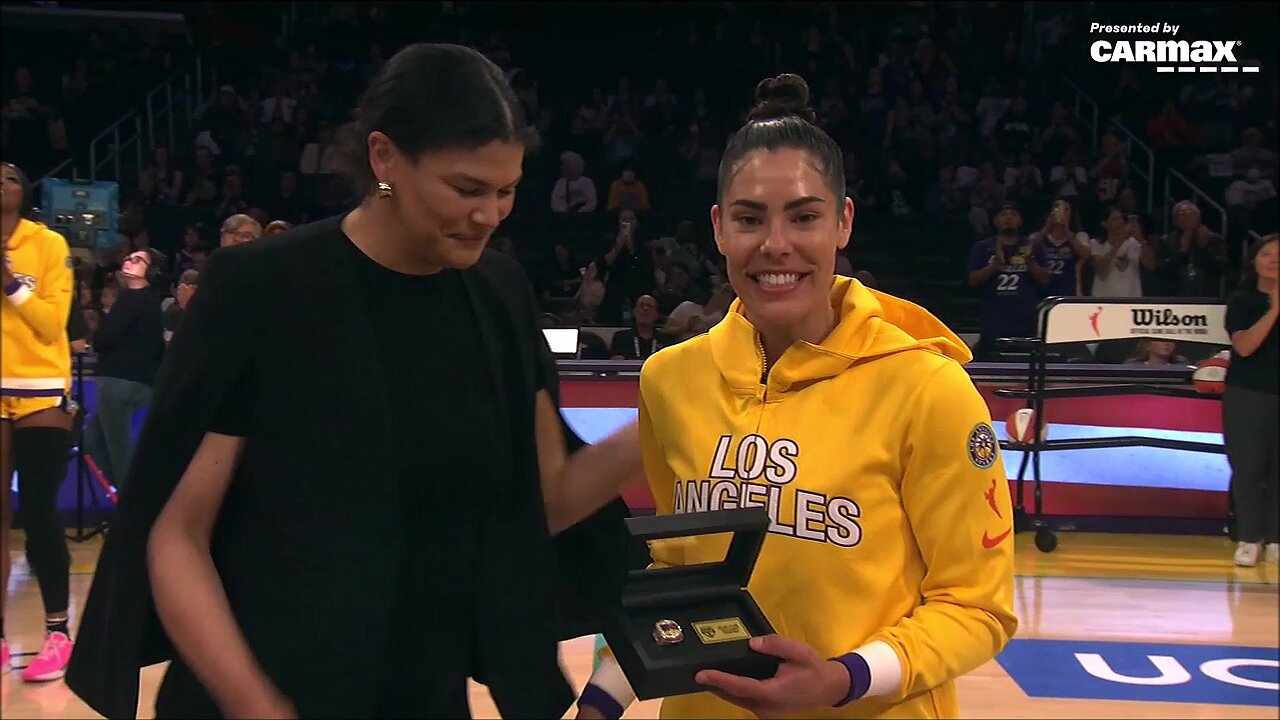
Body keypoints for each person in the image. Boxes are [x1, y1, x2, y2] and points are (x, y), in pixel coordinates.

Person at [66, 43, 649, 719]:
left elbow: (542, 501)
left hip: (422, 697)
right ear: (384, 157)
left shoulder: (499, 293)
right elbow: (177, 536)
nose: (490, 214)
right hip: (259, 693)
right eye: (466, 189)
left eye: (506, 190)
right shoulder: (264, 289)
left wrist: (667, 408)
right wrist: (260, 708)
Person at [578, 74, 1017, 720]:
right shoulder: (669, 380)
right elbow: (675, 578)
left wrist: (845, 678)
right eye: (750, 219)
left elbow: (977, 607)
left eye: (804, 216)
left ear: (843, 222)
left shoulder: (928, 388)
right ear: (719, 228)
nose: (775, 244)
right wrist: (601, 699)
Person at [1, 161, 77, 682]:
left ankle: (57, 633)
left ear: (24, 191)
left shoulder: (47, 243)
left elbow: (52, 323)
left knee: (38, 511)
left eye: (10, 175)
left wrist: (10, 283)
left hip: (41, 388)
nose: (1, 181)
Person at [84, 246, 166, 492]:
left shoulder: (131, 299)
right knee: (92, 442)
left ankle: (132, 501)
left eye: (138, 260)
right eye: (129, 257)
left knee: (118, 448)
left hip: (118, 381)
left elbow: (103, 340)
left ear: (150, 271)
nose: (129, 261)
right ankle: (125, 495)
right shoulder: (151, 302)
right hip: (139, 383)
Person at [1223, 234, 1278, 567]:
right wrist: (1275, 309)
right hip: (1248, 394)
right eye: (1267, 253)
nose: (1274, 259)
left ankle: (1276, 539)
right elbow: (1244, 347)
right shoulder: (1242, 301)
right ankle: (1249, 538)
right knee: (1248, 467)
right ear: (1254, 261)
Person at [967, 201, 1051, 361]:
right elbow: (973, 280)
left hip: (1026, 319)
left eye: (1013, 214)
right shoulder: (983, 247)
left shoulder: (1033, 246)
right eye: (1003, 215)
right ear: (995, 221)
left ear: (1020, 220)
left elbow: (1045, 279)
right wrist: (994, 266)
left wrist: (1030, 261)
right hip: (994, 319)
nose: (1008, 218)